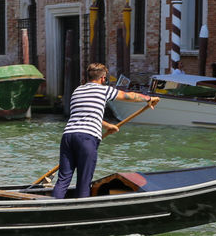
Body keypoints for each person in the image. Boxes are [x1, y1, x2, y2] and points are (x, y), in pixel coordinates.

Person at [52, 63, 157, 199]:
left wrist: (107, 126)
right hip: (87, 138)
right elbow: (129, 96)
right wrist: (148, 99)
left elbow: (85, 114)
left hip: (68, 136)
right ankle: (82, 212)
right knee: (84, 182)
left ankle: (51, 207)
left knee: (63, 179)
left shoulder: (77, 91)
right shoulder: (104, 90)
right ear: (103, 78)